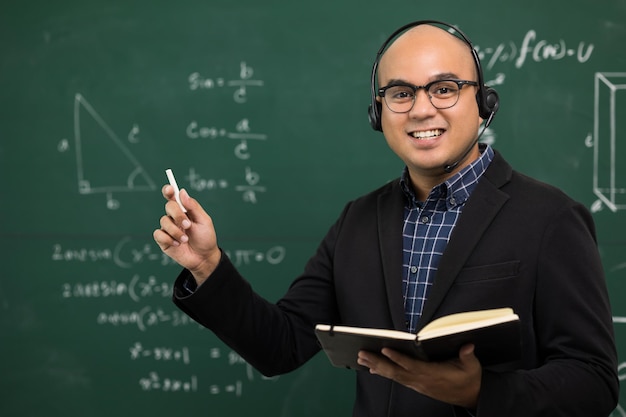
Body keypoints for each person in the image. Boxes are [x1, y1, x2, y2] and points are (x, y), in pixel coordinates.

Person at [153, 20, 619, 417]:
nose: (421, 109)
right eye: (400, 93)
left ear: (484, 103)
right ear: (378, 113)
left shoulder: (552, 218)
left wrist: (480, 393)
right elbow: (282, 346)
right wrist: (206, 265)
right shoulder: (358, 220)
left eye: (444, 88)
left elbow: (594, 381)